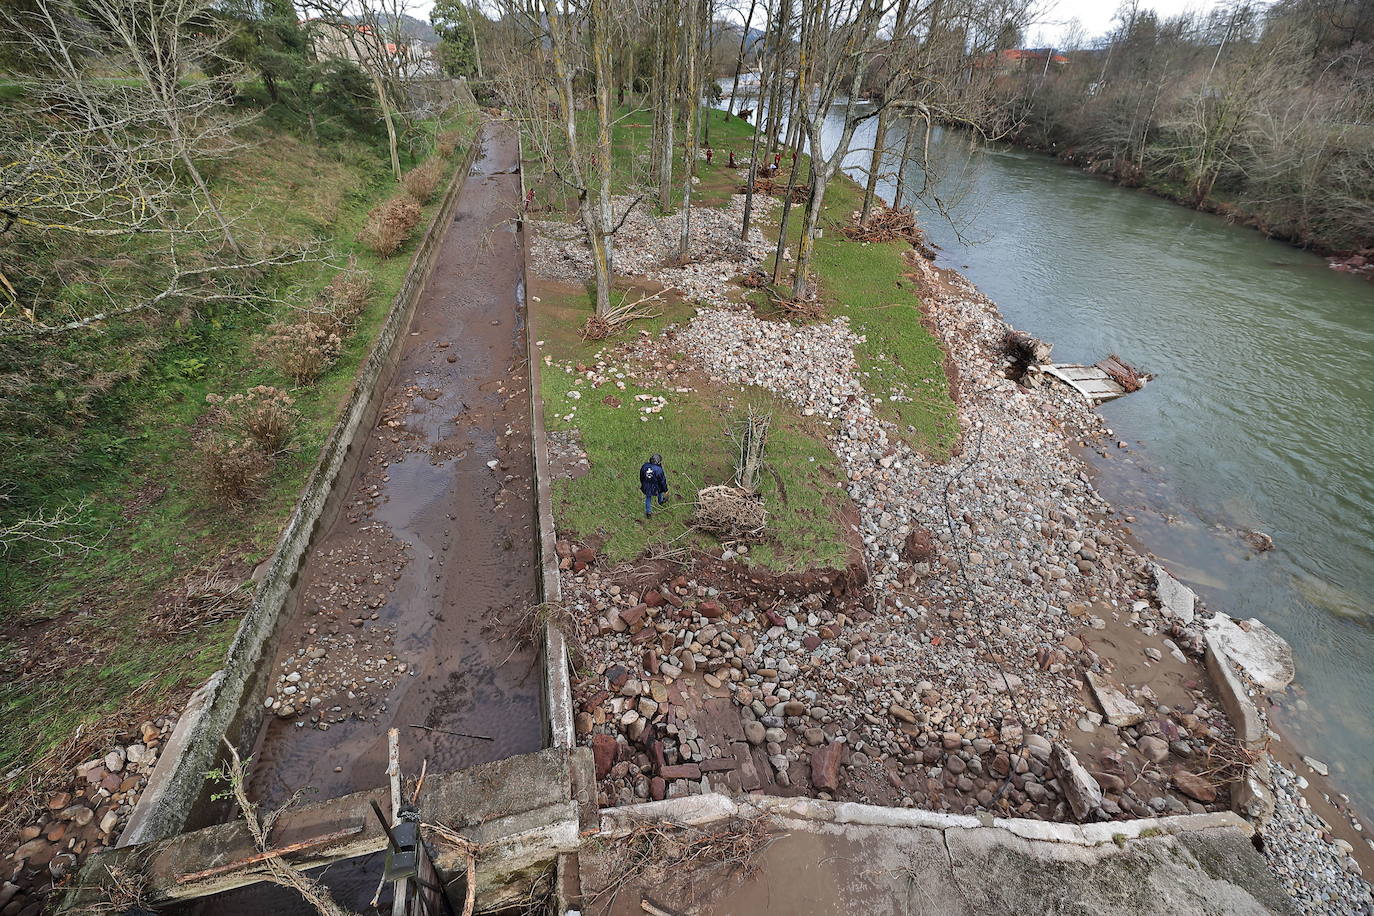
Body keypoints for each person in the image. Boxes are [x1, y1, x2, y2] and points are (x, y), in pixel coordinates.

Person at [639, 453, 669, 518]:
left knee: (648, 498)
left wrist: (643, 483)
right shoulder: (659, 469)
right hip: (656, 486)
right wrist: (665, 489)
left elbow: (641, 475)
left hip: (647, 485)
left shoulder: (644, 466)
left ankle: (648, 512)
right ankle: (660, 501)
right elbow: (662, 480)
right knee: (660, 491)